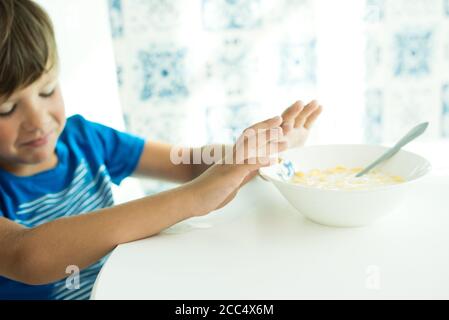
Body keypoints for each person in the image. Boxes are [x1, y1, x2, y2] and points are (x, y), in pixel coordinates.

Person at [0, 0, 323, 300]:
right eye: (7, 108)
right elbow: (27, 256)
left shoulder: (83, 137)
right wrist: (195, 197)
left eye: (47, 91)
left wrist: (255, 154)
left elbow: (185, 163)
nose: (37, 121)